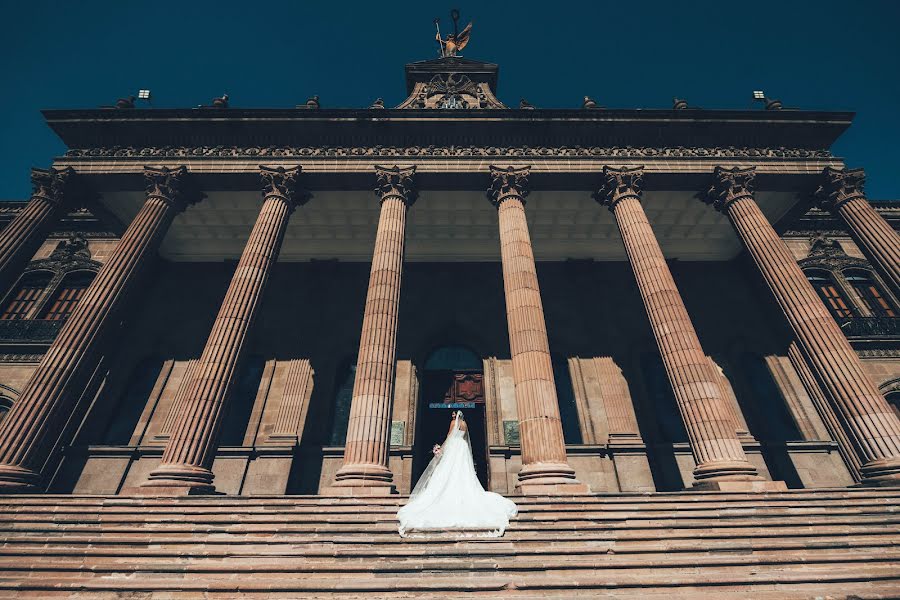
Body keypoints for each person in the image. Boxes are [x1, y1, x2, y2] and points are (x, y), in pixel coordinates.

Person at [398, 410, 518, 537]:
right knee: (463, 470)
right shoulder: (465, 424)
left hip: (454, 446)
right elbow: (464, 436)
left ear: (456, 415)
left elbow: (449, 436)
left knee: (449, 469)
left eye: (453, 413)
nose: (452, 415)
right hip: (462, 446)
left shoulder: (452, 423)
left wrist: (441, 449)